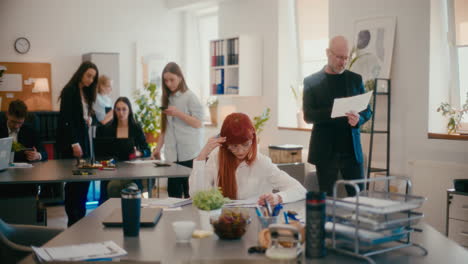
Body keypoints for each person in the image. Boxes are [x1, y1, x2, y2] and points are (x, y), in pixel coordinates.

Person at [302, 35, 372, 196]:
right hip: (325, 152)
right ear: (328, 53)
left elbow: (367, 110)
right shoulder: (311, 81)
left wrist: (359, 119)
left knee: (359, 199)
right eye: (339, 57)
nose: (343, 62)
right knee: (328, 201)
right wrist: (335, 111)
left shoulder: (355, 79)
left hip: (351, 152)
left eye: (346, 58)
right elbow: (308, 115)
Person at [189, 113, 306, 205]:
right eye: (234, 146)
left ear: (253, 140)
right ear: (225, 144)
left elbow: (300, 190)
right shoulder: (216, 158)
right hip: (222, 221)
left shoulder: (262, 162)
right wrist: (202, 156)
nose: (240, 151)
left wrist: (278, 197)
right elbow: (196, 195)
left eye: (245, 144)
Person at [152, 62, 204, 198]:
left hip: (189, 154)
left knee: (190, 195)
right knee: (172, 197)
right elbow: (165, 128)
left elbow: (198, 123)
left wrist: (179, 113)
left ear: (180, 77)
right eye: (165, 80)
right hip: (172, 156)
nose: (169, 83)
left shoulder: (190, 97)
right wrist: (157, 149)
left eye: (172, 79)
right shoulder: (167, 98)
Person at [56, 61, 98, 227]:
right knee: (74, 184)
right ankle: (73, 220)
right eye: (88, 75)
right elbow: (66, 119)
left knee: (84, 180)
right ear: (81, 73)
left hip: (84, 141)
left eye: (93, 77)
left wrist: (89, 119)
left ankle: (79, 219)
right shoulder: (70, 90)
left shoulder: (86, 93)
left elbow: (83, 116)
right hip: (73, 143)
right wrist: (74, 143)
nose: (90, 80)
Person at [96, 97, 151, 203]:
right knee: (109, 189)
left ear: (129, 110)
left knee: (122, 187)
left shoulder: (136, 127)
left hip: (131, 171)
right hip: (112, 170)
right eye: (118, 109)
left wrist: (139, 152)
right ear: (114, 111)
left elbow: (147, 150)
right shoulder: (108, 129)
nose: (121, 112)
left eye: (124, 109)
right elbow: (101, 152)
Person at [0, 99, 48, 198]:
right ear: (7, 114)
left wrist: (37, 155)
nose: (16, 126)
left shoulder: (30, 130)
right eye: (13, 122)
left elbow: (44, 153)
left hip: (25, 177)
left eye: (20, 123)